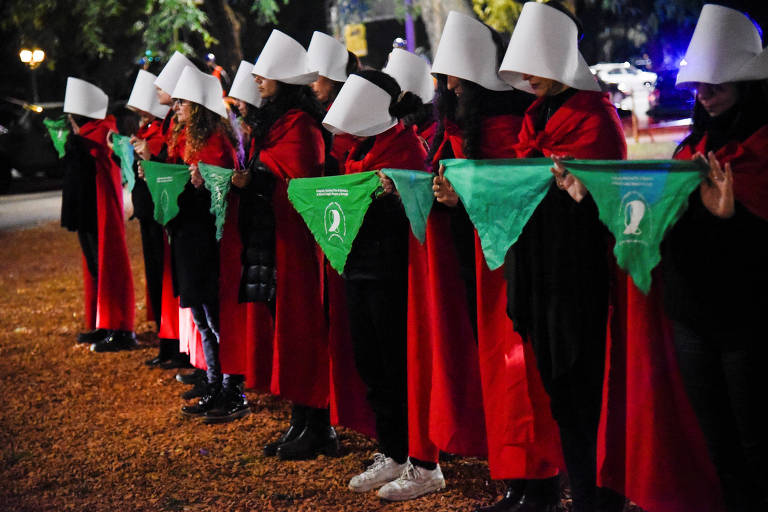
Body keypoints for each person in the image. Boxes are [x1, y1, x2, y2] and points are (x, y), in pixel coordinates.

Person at [430, 11, 562, 512]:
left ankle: (539, 480)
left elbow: (518, 193)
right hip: (480, 262)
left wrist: (461, 195)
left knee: (518, 371)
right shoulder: (465, 126)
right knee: (499, 370)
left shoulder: (508, 127)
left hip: (512, 265)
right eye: (442, 77)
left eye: (453, 76)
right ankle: (515, 478)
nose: (446, 86)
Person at [497, 2, 627, 511]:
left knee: (586, 386)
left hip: (580, 275)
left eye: (537, 64)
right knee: (560, 391)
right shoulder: (534, 120)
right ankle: (583, 491)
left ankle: (601, 496)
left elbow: (614, 197)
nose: (530, 77)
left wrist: (579, 188)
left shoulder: (596, 119)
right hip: (540, 273)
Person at [665, 5, 768, 510]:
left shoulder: (763, 149)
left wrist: (733, 220)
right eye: (698, 86)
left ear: (746, 85)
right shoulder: (689, 150)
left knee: (757, 444)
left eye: (716, 85)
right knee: (718, 444)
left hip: (747, 321)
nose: (703, 94)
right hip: (692, 318)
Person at [322, 70, 436, 500]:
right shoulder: (360, 149)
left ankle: (421, 460)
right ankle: (392, 451)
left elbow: (416, 213)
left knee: (398, 365)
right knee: (372, 365)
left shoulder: (405, 148)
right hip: (359, 269)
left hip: (392, 274)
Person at [241, 29, 336, 460]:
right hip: (276, 238)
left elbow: (299, 173)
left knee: (303, 331)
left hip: (298, 245)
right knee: (287, 329)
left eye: (265, 74)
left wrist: (256, 170)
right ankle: (301, 419)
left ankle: (318, 424)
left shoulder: (301, 125)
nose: (257, 80)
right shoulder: (281, 122)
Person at [155, 65, 249, 423]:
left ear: (199, 106)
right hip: (187, 235)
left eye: (183, 102)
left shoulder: (214, 141)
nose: (176, 107)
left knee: (215, 315)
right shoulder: (187, 139)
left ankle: (231, 386)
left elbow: (219, 191)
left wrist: (199, 182)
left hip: (207, 238)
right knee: (202, 315)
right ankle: (214, 380)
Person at [61, 77, 136, 352]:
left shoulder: (101, 130)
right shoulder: (86, 131)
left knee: (108, 265)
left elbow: (104, 154)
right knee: (95, 267)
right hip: (86, 210)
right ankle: (104, 323)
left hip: (100, 209)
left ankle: (121, 328)